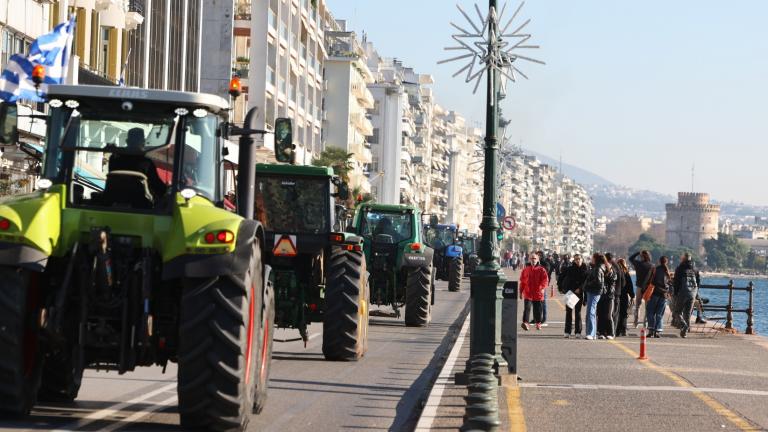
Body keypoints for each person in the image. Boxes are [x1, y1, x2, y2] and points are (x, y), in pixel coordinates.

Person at [108, 127, 167, 199]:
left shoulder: (114, 158)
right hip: (139, 202)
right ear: (143, 142)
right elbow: (156, 184)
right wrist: (167, 191)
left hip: (112, 198)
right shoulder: (146, 162)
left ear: (127, 141)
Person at [583, 253, 613, 340]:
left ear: (595, 259)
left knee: (591, 312)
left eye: (592, 258)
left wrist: (587, 285)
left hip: (593, 292)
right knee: (591, 312)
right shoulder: (598, 268)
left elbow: (599, 283)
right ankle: (593, 333)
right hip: (594, 292)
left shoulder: (597, 269)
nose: (591, 259)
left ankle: (591, 333)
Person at [561, 254, 588, 338]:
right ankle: (567, 331)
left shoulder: (586, 269)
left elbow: (586, 282)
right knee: (568, 312)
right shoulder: (570, 269)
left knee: (578, 312)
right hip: (570, 293)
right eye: (576, 259)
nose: (578, 260)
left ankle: (578, 331)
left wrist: (580, 288)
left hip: (580, 293)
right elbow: (565, 279)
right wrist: (566, 289)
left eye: (579, 259)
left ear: (582, 259)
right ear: (574, 260)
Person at [673, 253, 700, 338]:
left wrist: (675, 293)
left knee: (677, 312)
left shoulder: (680, 268)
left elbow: (676, 282)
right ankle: (685, 332)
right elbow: (698, 282)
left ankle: (684, 325)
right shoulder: (695, 269)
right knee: (687, 313)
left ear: (683, 259)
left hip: (682, 292)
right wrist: (696, 293)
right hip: (693, 293)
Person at [519, 253, 549, 331]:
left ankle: (538, 323)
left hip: (538, 293)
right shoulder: (526, 270)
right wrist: (520, 292)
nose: (533, 260)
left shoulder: (541, 269)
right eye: (532, 258)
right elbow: (522, 282)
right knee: (527, 308)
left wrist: (542, 288)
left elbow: (545, 280)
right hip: (528, 293)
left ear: (538, 260)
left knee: (537, 309)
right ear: (529, 259)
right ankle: (526, 323)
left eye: (535, 258)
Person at [646, 256, 672, 338]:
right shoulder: (667, 272)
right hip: (664, 295)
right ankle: (657, 331)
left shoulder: (655, 269)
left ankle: (651, 330)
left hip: (655, 293)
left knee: (650, 312)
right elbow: (670, 283)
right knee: (659, 314)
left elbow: (650, 281)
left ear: (659, 261)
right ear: (666, 262)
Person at [597, 253, 620, 339]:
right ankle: (601, 332)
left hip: (610, 295)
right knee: (600, 314)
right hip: (601, 295)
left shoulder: (613, 270)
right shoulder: (600, 270)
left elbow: (613, 278)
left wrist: (608, 268)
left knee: (608, 314)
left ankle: (611, 333)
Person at [629, 250, 655, 328]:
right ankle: (645, 323)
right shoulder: (652, 266)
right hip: (648, 288)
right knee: (648, 306)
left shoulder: (638, 264)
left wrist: (637, 252)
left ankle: (636, 322)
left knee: (638, 306)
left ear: (641, 256)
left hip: (639, 287)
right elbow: (653, 277)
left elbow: (630, 258)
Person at [615, 258, 635, 337]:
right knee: (624, 313)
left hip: (616, 295)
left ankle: (616, 330)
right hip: (624, 296)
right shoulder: (626, 273)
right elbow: (630, 285)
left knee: (616, 312)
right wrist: (632, 296)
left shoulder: (616, 272)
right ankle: (623, 330)